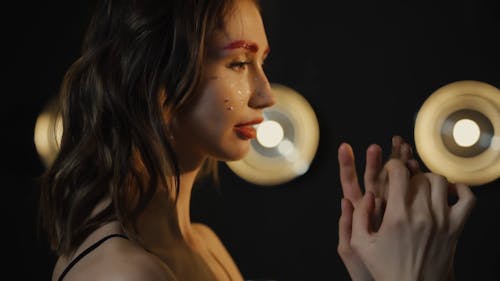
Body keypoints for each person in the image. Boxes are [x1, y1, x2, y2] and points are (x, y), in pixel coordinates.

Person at [38, 0, 476, 280]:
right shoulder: (122, 274)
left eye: (261, 62)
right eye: (238, 63)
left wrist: (377, 270)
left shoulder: (201, 244)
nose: (266, 94)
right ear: (155, 76)